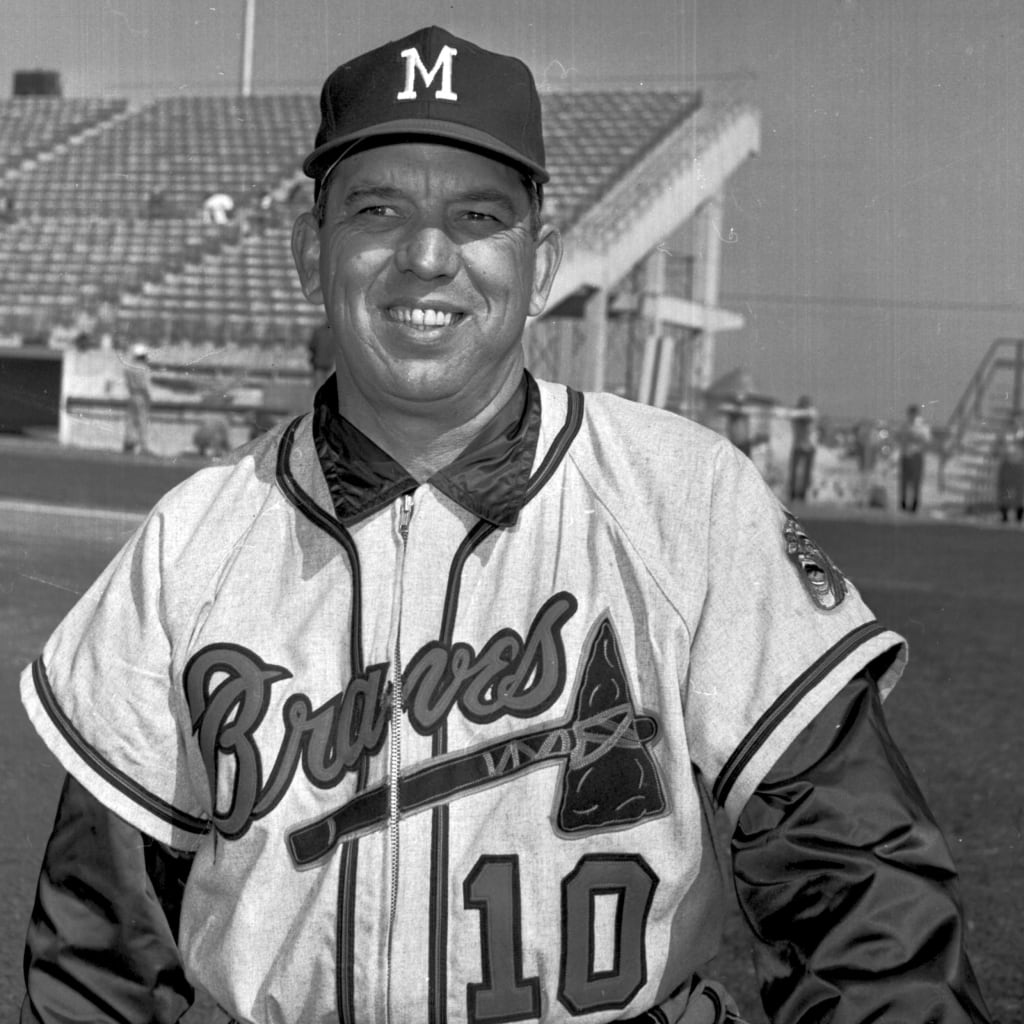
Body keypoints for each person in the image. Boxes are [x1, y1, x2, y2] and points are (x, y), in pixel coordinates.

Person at [19, 26, 992, 1024]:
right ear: (311, 247)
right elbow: (101, 955)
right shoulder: (193, 543)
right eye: (376, 208)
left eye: (478, 214)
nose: (427, 255)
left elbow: (859, 894)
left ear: (544, 258)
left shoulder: (687, 501)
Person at [896, 402, 931, 513]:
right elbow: (898, 437)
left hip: (916, 455)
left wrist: (915, 437)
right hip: (906, 455)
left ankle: (914, 505)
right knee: (904, 482)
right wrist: (905, 438)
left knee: (916, 482)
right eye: (910, 413)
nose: (911, 416)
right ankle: (903, 504)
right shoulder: (904, 425)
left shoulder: (922, 426)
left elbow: (926, 440)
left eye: (913, 413)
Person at [122, 341, 151, 454]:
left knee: (130, 421)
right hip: (141, 396)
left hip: (131, 396)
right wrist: (148, 398)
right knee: (142, 422)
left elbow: (127, 383)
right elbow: (145, 386)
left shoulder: (129, 368)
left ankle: (129, 444)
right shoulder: (144, 369)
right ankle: (143, 446)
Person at [787, 394, 818, 502]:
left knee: (805, 473)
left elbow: (809, 415)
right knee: (794, 471)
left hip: (809, 446)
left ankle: (802, 495)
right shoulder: (797, 414)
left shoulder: (810, 413)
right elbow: (795, 415)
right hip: (799, 445)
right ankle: (793, 494)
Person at [995, 415, 1024, 523]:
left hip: (1019, 466)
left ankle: (1019, 515)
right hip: (1008, 466)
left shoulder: (1021, 436)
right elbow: (998, 449)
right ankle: (1005, 514)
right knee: (1007, 491)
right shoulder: (1006, 436)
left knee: (1019, 492)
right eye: (1013, 422)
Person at [307, 319, 334, 388]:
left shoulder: (318, 331)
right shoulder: (334, 333)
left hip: (319, 363)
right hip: (329, 364)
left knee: (318, 385)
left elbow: (311, 346)